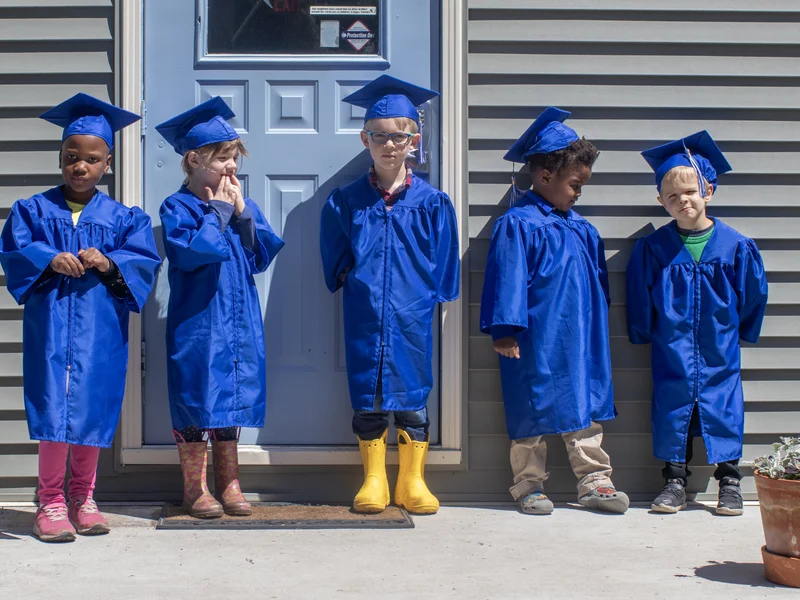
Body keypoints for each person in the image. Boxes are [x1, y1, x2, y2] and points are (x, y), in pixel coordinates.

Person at [0, 93, 160, 542]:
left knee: (91, 406)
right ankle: (50, 500)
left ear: (107, 163)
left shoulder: (124, 219)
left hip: (99, 330)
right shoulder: (32, 211)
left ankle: (83, 497)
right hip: (50, 328)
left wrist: (109, 262)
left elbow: (142, 261)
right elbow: (15, 250)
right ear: (60, 157)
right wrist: (50, 258)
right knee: (53, 408)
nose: (80, 166)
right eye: (72, 157)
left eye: (92, 159)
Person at [320, 75, 460, 515]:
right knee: (368, 395)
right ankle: (375, 480)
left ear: (413, 140)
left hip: (411, 312)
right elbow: (334, 253)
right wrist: (350, 280)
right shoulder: (346, 200)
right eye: (379, 136)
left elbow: (446, 259)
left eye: (399, 136)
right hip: (364, 311)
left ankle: (413, 481)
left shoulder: (433, 202)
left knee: (413, 396)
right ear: (365, 139)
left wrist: (426, 294)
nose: (389, 145)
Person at [480, 107, 629, 515]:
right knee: (530, 405)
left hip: (580, 333)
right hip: (534, 336)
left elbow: (599, 285)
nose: (579, 192)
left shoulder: (583, 227)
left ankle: (594, 478)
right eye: (575, 184)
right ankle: (528, 484)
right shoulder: (519, 223)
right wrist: (504, 331)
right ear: (545, 176)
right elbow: (507, 278)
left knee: (583, 401)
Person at [627, 131, 768, 516]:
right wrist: (643, 332)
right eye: (671, 196)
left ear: (708, 190)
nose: (681, 200)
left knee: (724, 405)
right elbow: (640, 298)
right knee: (673, 406)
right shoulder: (654, 249)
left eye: (689, 191)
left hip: (719, 347)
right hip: (671, 348)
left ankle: (730, 480)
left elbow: (754, 294)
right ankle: (674, 481)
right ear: (661, 201)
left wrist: (740, 332)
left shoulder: (736, 245)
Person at [156, 97, 284, 518]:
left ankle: (229, 483)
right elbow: (193, 252)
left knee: (231, 395)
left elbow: (262, 255)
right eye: (222, 160)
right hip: (199, 323)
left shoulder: (238, 207)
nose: (232, 169)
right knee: (196, 398)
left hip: (238, 320)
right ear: (193, 159)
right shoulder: (179, 209)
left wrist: (244, 215)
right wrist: (220, 213)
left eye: (234, 160)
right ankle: (195, 489)